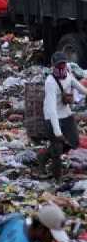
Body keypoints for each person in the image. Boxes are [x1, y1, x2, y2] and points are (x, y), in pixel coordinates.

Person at [39, 51, 87, 180]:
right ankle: (57, 180)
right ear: (53, 66)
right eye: (59, 65)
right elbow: (51, 108)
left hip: (66, 114)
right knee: (57, 149)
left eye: (63, 64)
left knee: (74, 142)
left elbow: (81, 89)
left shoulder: (68, 75)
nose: (61, 68)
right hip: (51, 117)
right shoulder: (50, 82)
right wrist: (57, 131)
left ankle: (43, 156)